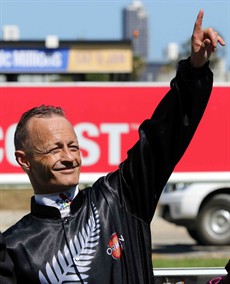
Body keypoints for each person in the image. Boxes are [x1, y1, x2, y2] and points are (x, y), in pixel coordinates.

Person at [3, 10, 225, 284]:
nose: (69, 157)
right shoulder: (13, 249)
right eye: (55, 149)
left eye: (73, 146)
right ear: (24, 160)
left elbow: (162, 139)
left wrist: (194, 71)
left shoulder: (118, 198)